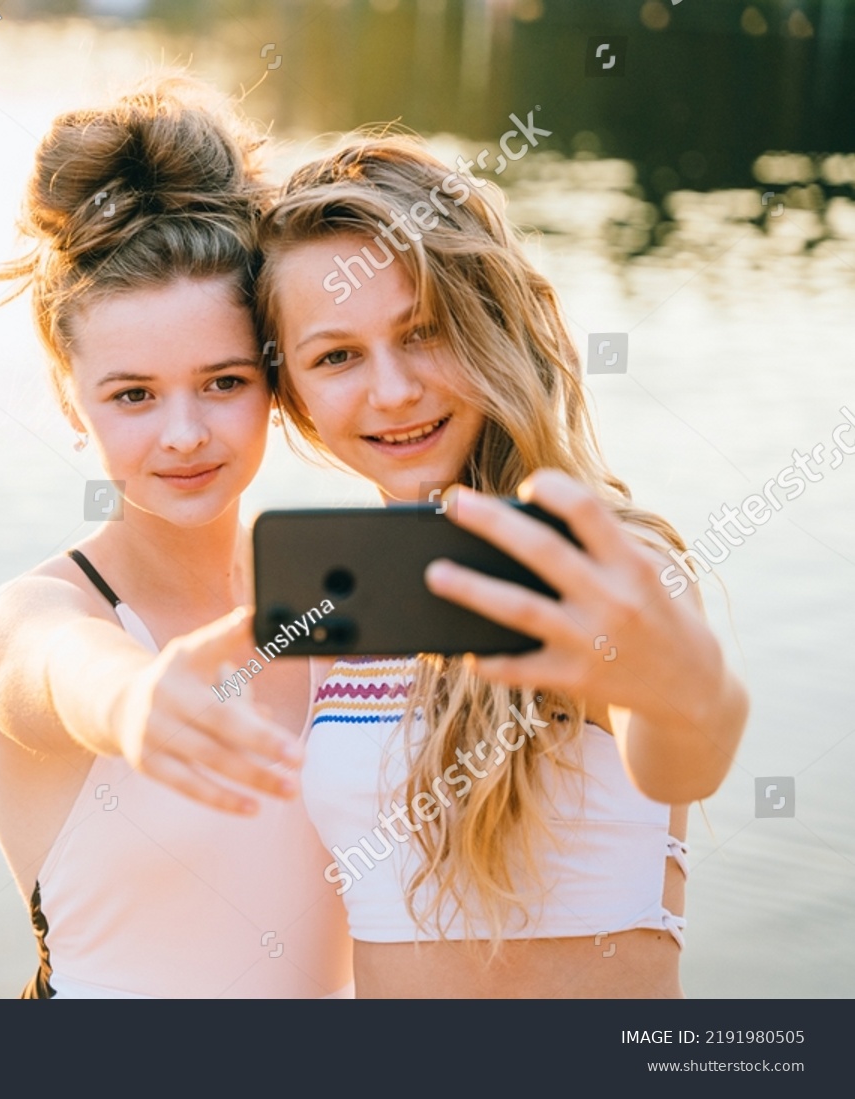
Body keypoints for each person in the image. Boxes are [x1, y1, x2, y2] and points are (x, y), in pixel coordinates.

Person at [253, 132, 749, 996]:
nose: (395, 389)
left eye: (426, 332)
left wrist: (689, 691)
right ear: (292, 394)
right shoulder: (328, 596)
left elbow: (681, 757)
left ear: (492, 324)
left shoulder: (609, 559)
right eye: (337, 356)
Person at [0, 75, 352, 998]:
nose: (184, 434)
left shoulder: (343, 582)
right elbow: (63, 668)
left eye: (222, 382)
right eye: (133, 394)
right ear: (71, 400)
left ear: (274, 376)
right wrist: (135, 703)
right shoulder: (32, 615)